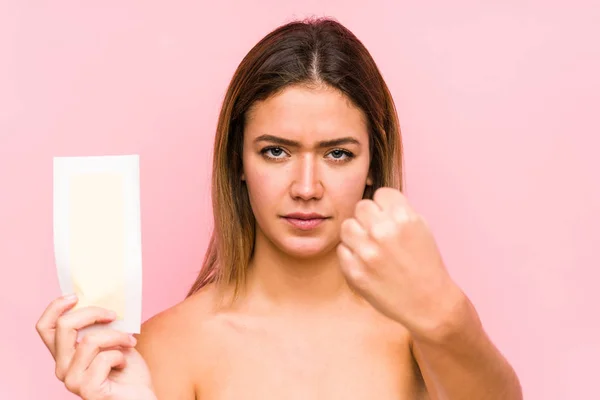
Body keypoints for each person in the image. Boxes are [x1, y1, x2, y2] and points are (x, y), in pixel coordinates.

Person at [36, 17, 523, 400]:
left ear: (373, 163)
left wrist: (444, 314)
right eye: (276, 151)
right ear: (238, 161)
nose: (307, 188)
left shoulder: (427, 327)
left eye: (338, 154)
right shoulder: (169, 346)